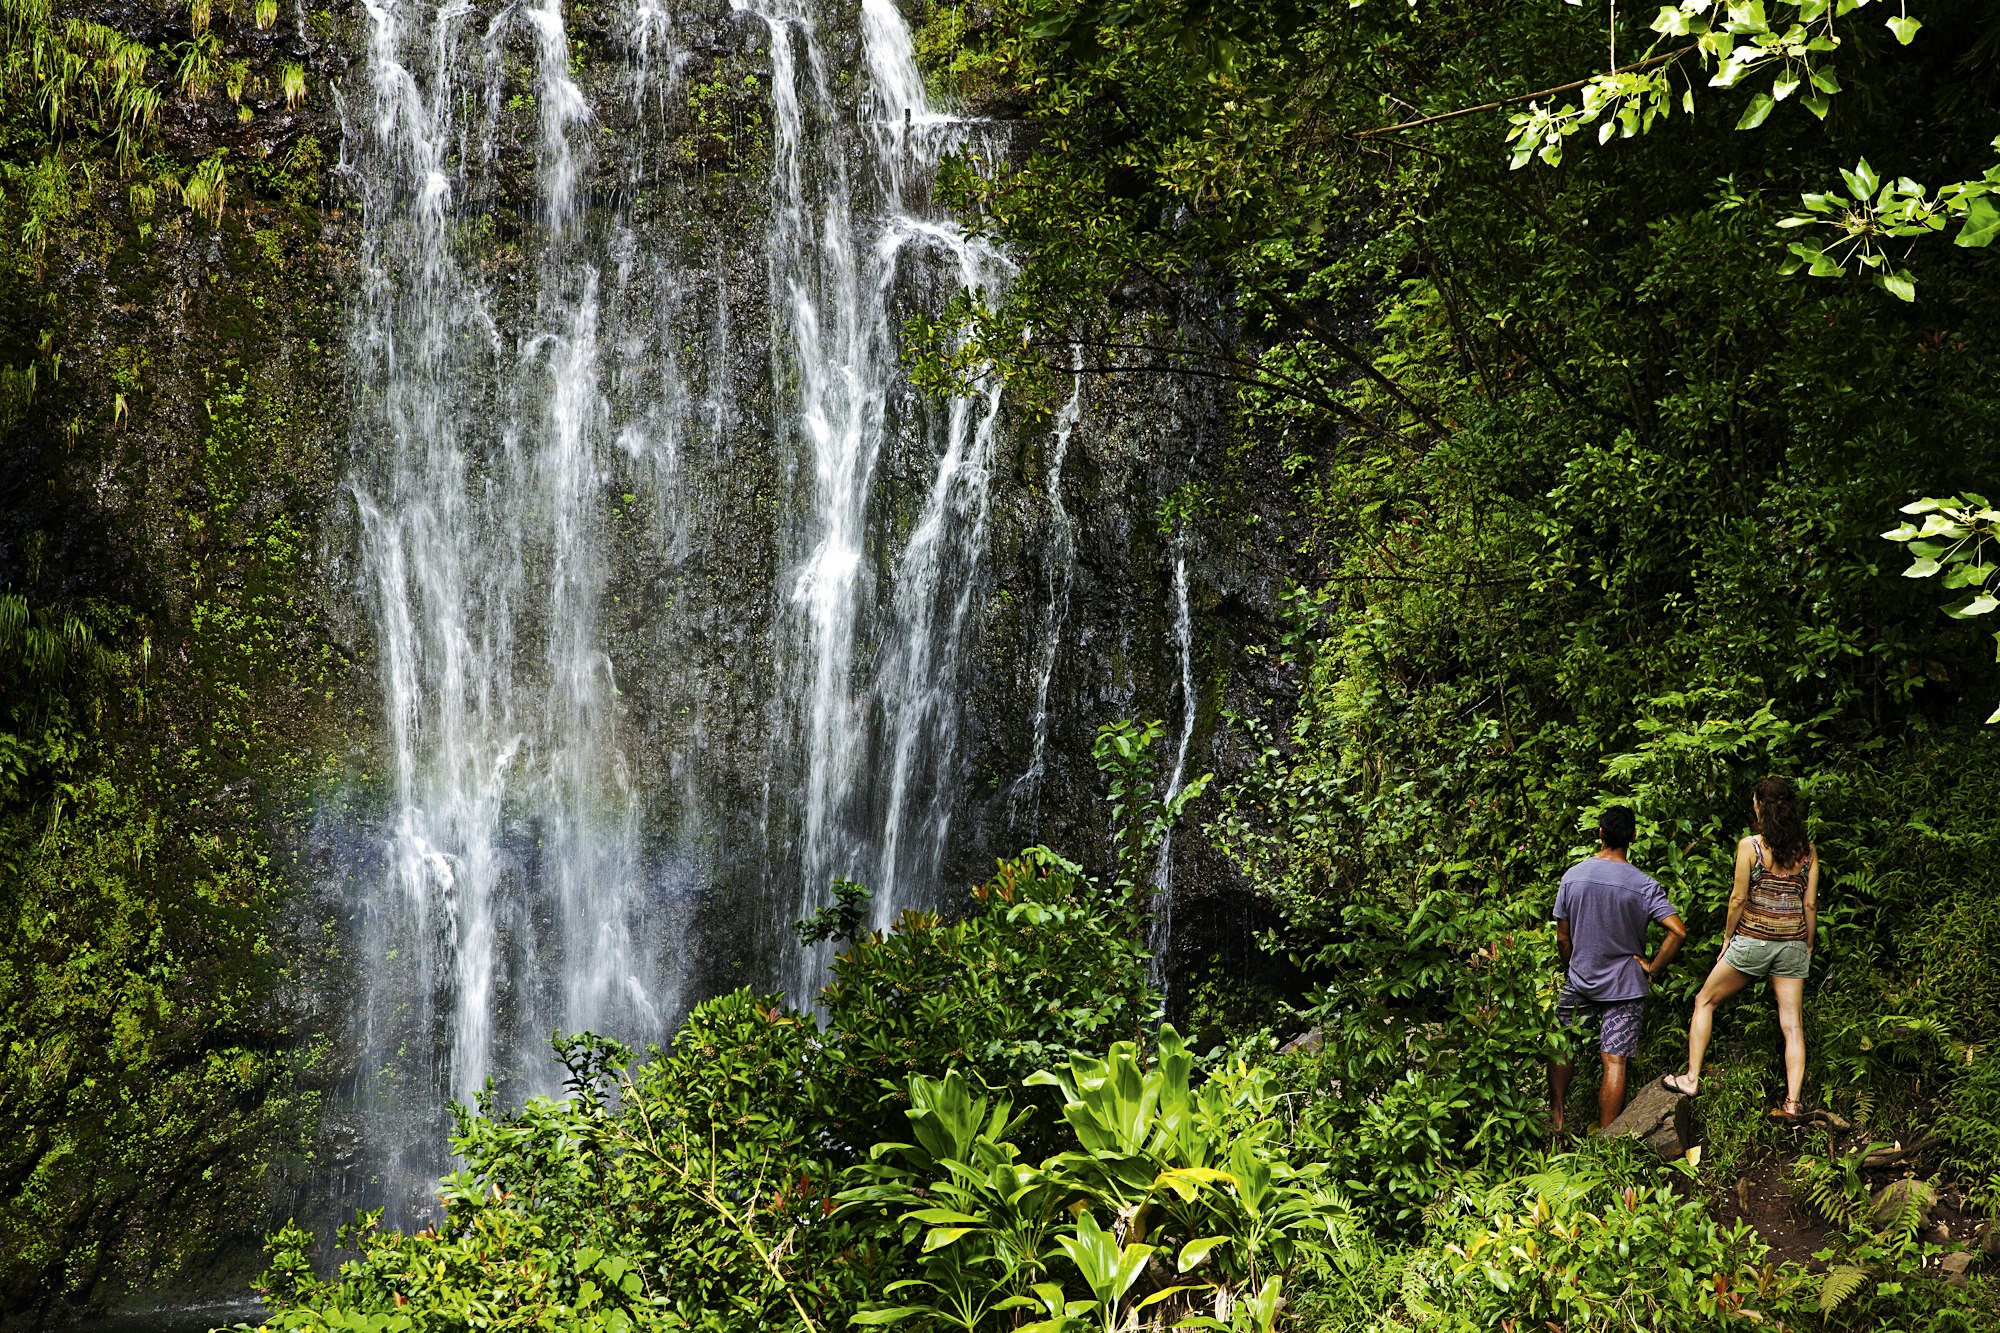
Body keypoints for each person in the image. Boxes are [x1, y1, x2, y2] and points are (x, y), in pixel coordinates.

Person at [1661, 777, 1819, 1119]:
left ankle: (1691, 1078)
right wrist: (1807, 943)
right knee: (1792, 1025)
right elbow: (1809, 906)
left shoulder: (1751, 846)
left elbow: (1737, 897)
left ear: (1758, 807)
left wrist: (1728, 938)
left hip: (1753, 941)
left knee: (1705, 1000)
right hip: (1791, 942)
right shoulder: (1806, 850)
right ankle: (1792, 1104)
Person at [1549, 805, 1687, 1133]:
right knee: (1614, 1060)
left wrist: (1572, 968)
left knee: (1562, 1043)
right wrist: (1653, 967)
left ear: (1600, 833)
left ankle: (1556, 1113)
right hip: (1625, 984)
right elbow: (1678, 931)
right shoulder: (1643, 885)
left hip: (1581, 978)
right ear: (1633, 837)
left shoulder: (1573, 876)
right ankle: (1608, 1137)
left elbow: (1563, 937)